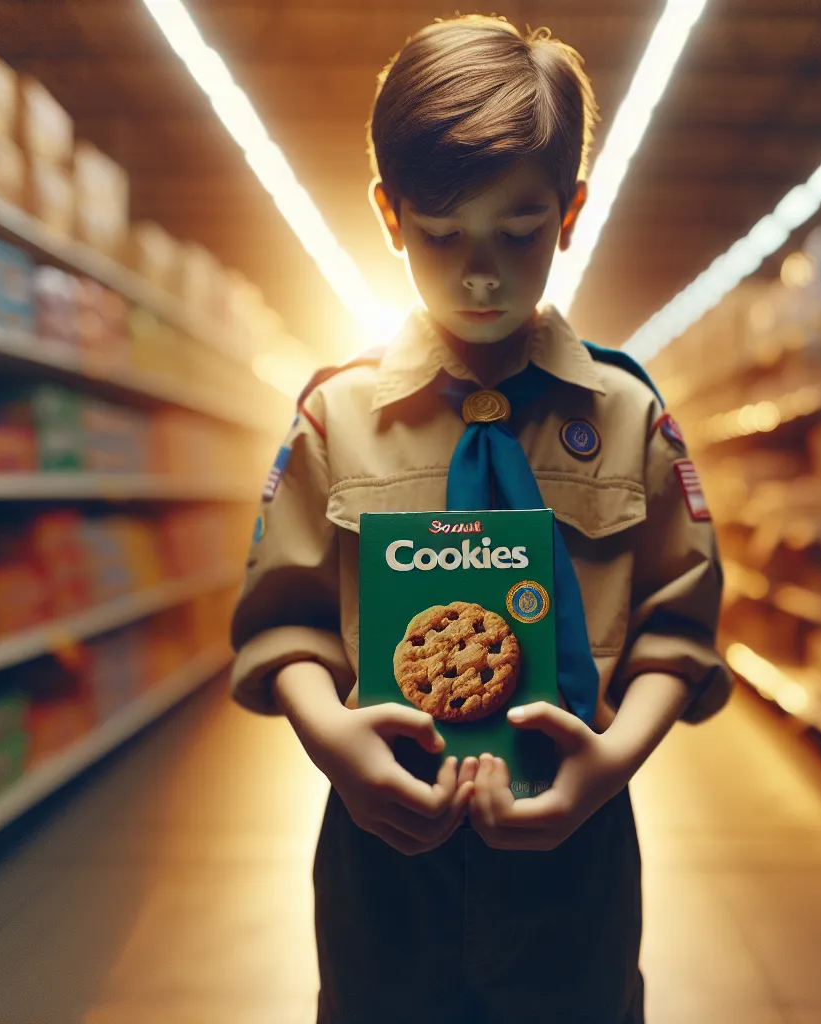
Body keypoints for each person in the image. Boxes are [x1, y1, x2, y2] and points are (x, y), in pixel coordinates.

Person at [229, 14, 732, 1024]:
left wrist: (610, 765)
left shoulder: (628, 414)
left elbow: (677, 632)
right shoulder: (336, 416)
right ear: (387, 213)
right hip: (383, 855)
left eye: (519, 231)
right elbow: (283, 623)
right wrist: (336, 744)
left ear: (571, 211)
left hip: (575, 846)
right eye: (440, 234)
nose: (481, 273)